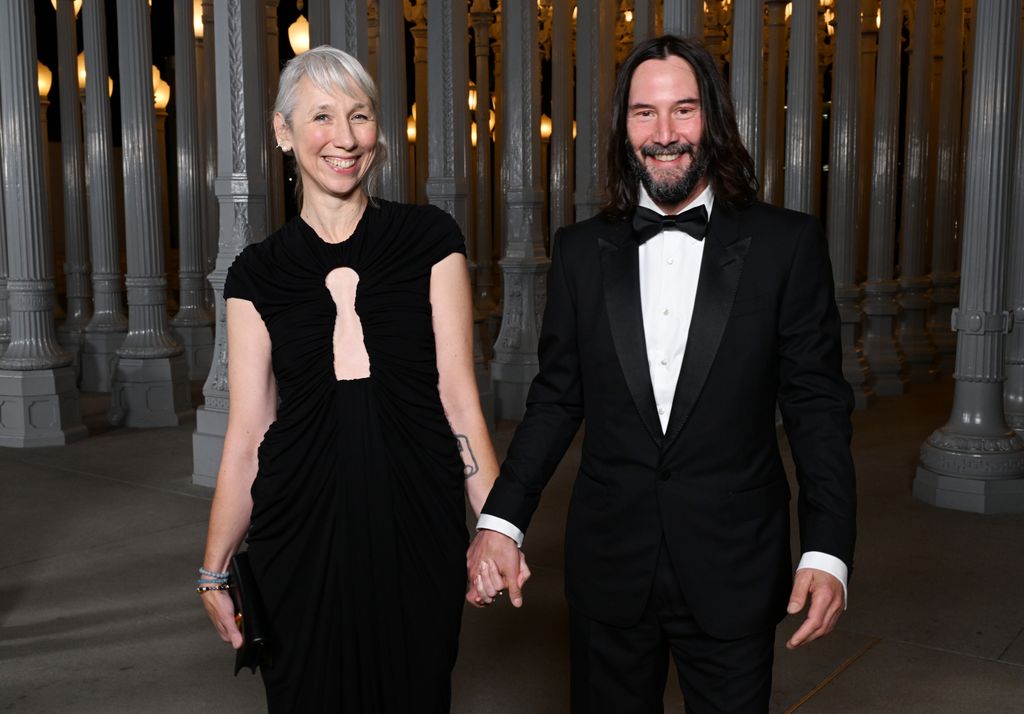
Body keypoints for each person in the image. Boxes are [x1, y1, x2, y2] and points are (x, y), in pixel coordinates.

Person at [467, 35, 857, 713]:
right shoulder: (582, 252)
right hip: (610, 566)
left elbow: (816, 408)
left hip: (735, 562)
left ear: (715, 120)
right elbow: (556, 400)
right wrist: (502, 521)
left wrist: (827, 552)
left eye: (684, 110)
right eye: (645, 113)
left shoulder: (786, 246)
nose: (665, 133)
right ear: (623, 128)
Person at [198, 45, 508, 712]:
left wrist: (497, 526)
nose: (344, 138)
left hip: (416, 522)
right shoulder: (257, 273)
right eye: (321, 117)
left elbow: (459, 401)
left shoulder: (430, 239)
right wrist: (213, 568)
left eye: (360, 116)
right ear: (283, 132)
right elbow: (250, 432)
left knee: (415, 692)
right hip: (297, 531)